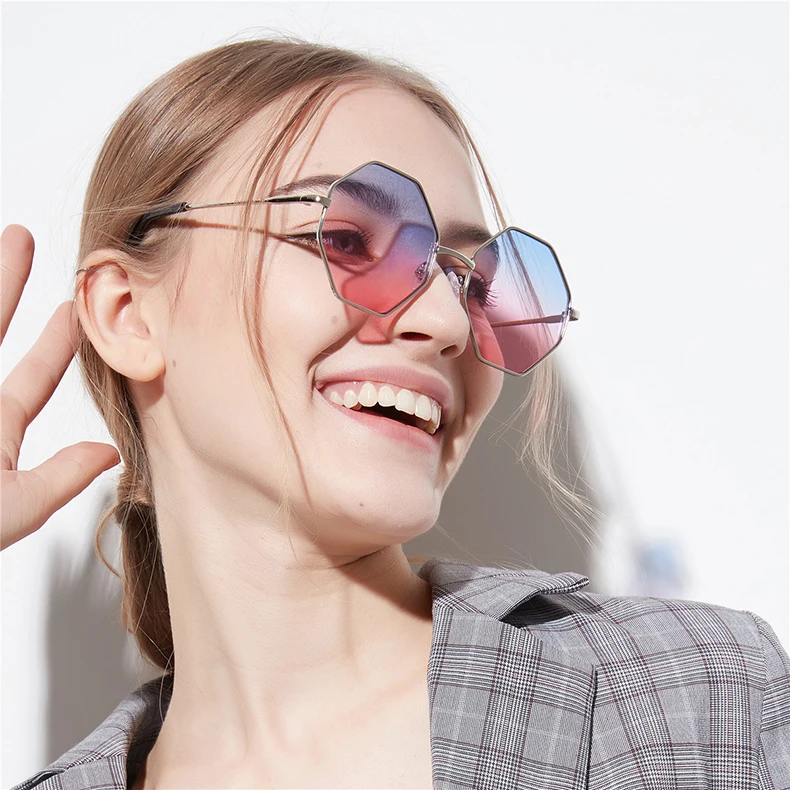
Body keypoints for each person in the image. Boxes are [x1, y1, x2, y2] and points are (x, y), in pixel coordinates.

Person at [2, 37, 788, 790]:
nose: (449, 323)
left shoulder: (700, 700)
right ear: (129, 314)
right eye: (346, 239)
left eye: (474, 282)